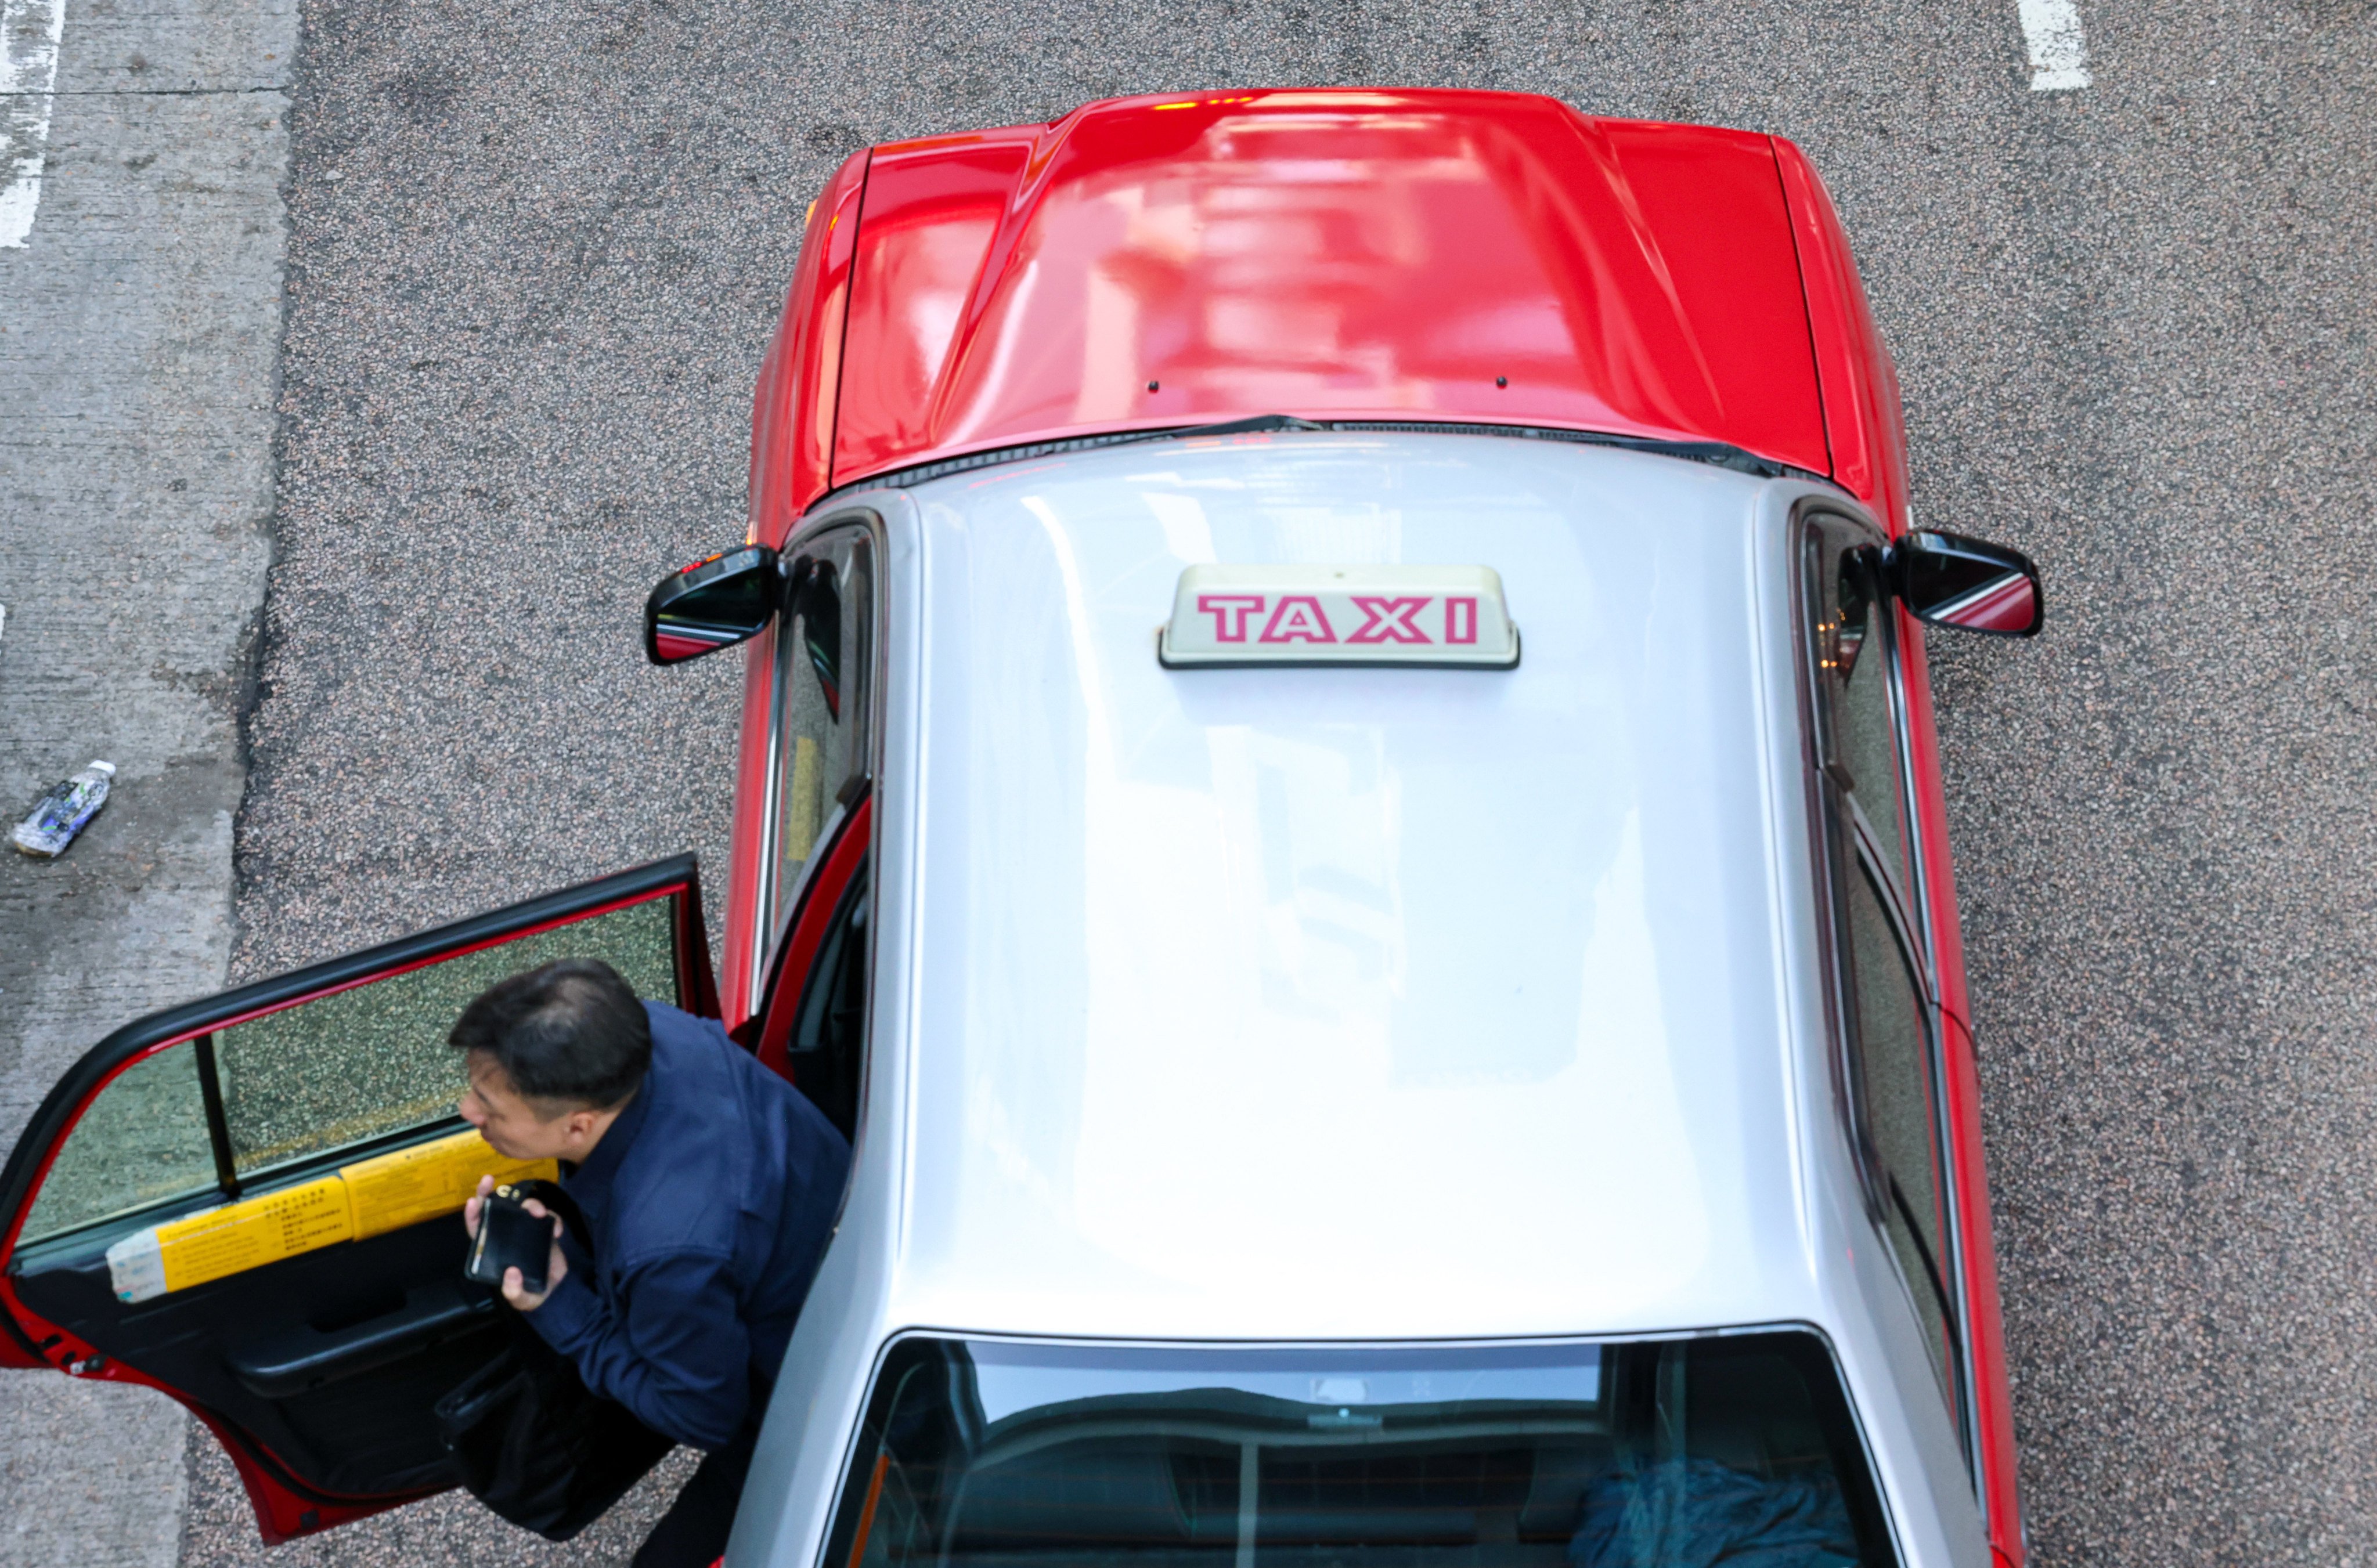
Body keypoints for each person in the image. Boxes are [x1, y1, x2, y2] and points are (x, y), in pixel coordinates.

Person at [451, 957, 851, 1567]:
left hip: (811, 1396)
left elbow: (704, 1416)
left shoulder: (670, 1254)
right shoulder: (654, 1032)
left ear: (579, 1123)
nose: (467, 1110)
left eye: (491, 1107)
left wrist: (563, 1304)